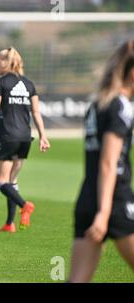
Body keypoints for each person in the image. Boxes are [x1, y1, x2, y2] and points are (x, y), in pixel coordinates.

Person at [69, 40, 134, 282]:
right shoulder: (120, 107)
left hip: (88, 197)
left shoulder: (98, 105)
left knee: (77, 279)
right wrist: (104, 213)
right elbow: (109, 162)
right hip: (115, 200)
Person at [0, 47, 50, 232]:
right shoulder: (28, 84)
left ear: (8, 62)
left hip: (7, 136)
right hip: (26, 138)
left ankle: (24, 204)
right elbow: (36, 112)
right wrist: (43, 135)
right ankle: (10, 224)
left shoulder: (1, 83)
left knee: (1, 182)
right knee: (12, 182)